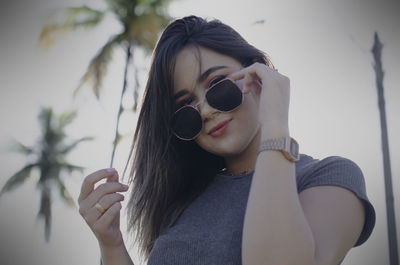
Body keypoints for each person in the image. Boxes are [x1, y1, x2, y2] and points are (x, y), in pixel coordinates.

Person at [78, 15, 376, 265]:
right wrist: (113, 245)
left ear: (258, 74)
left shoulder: (329, 178)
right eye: (186, 109)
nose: (206, 111)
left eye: (218, 86)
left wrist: (275, 125)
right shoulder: (183, 202)